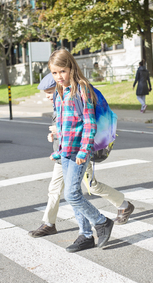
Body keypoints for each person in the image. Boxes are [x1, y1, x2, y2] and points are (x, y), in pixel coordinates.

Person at [29, 73, 134, 243]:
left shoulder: (74, 96)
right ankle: (50, 223)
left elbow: (82, 126)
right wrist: (54, 135)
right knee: (56, 190)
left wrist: (60, 133)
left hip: (78, 153)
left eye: (49, 92)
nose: (47, 96)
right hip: (63, 154)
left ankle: (123, 206)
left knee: (90, 187)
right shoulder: (59, 102)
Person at [46, 49, 118, 253]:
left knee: (71, 194)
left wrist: (84, 150)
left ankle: (102, 222)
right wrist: (58, 147)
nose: (59, 76)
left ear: (71, 67)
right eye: (54, 73)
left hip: (79, 151)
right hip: (67, 151)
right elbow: (63, 124)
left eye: (62, 71)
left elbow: (89, 123)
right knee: (73, 192)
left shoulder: (82, 90)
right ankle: (85, 235)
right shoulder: (60, 92)